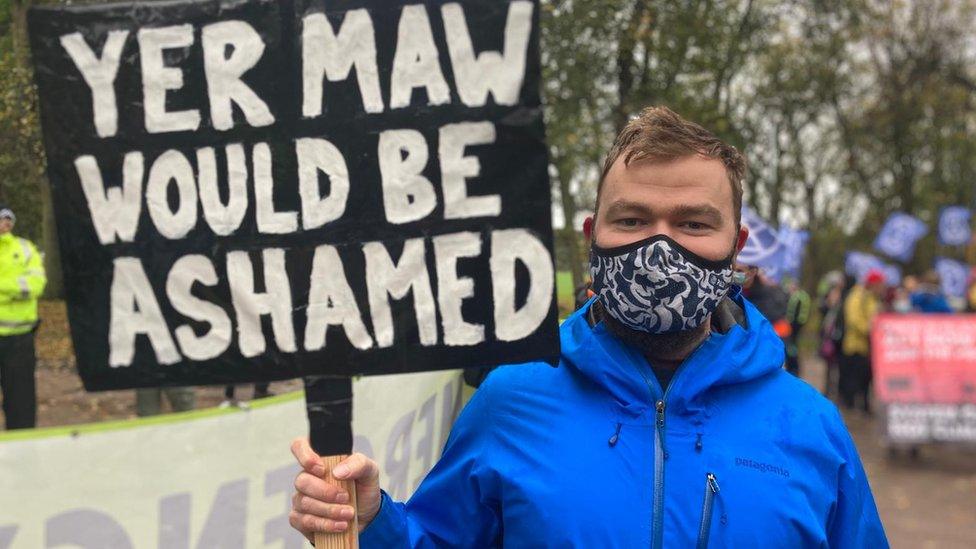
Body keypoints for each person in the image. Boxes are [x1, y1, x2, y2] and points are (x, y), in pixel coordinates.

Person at [288, 107, 887, 546]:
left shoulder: (811, 425)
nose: (660, 247)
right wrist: (375, 523)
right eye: (631, 219)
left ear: (737, 248)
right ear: (591, 239)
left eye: (693, 224)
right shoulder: (512, 397)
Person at [0, 205, 47, 430]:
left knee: (21, 404)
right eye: (2, 218)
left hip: (19, 339)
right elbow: (23, 287)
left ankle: (23, 454)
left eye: (9, 219)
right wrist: (13, 291)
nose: (5, 223)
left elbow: (35, 285)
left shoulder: (26, 249)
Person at [840, 269, 885, 413]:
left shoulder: (873, 298)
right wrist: (870, 331)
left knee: (866, 378)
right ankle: (849, 405)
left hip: (868, 347)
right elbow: (853, 320)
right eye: (880, 284)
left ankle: (864, 405)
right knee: (853, 377)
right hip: (855, 345)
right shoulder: (857, 296)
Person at [784, 277, 811, 377]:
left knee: (792, 346)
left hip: (795, 325)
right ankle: (794, 367)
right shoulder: (802, 295)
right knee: (793, 345)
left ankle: (794, 368)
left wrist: (790, 323)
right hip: (798, 324)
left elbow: (793, 312)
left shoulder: (798, 297)